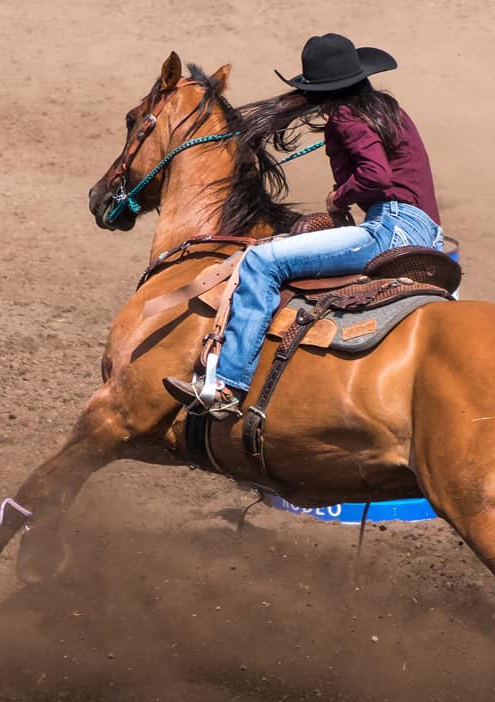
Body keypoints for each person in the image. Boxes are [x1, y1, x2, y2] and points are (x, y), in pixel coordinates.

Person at [164, 33, 444, 419]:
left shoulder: (347, 116)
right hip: (428, 233)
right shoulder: (387, 111)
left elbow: (376, 177)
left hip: (390, 228)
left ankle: (227, 384)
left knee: (263, 262)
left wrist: (339, 197)